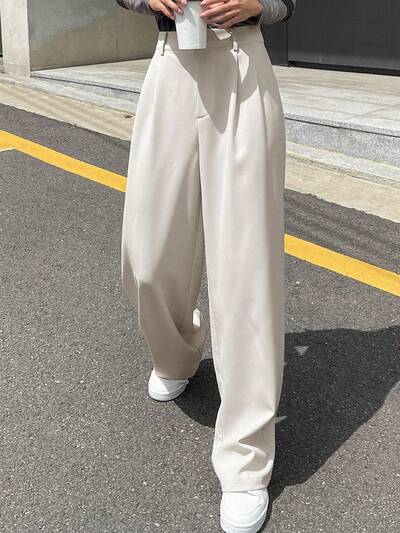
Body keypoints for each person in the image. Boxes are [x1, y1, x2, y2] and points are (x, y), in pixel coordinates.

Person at [118, 0, 296, 531]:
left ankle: (245, 458)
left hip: (242, 65)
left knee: (245, 265)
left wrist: (259, 5)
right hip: (170, 62)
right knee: (147, 254)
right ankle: (176, 353)